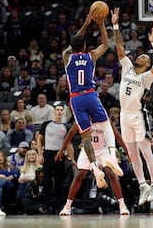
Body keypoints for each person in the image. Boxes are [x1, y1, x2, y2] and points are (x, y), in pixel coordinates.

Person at [62, 11, 120, 190]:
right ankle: (111, 156)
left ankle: (94, 167)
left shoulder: (67, 56)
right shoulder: (91, 56)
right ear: (85, 45)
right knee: (105, 125)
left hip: (76, 100)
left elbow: (74, 43)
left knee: (85, 136)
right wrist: (101, 23)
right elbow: (105, 43)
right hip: (90, 95)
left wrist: (86, 24)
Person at [111, 8, 153, 205]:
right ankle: (143, 185)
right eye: (140, 56)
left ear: (147, 64)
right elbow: (119, 47)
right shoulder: (128, 68)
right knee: (132, 153)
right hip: (124, 115)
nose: (140, 57)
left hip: (138, 115)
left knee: (145, 151)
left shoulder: (146, 77)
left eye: (144, 58)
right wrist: (115, 25)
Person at [57, 122, 129, 216]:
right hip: (87, 150)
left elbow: (116, 134)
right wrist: (61, 150)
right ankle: (67, 206)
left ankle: (122, 205)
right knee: (78, 176)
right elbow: (70, 134)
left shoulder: (103, 118)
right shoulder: (81, 118)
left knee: (111, 173)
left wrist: (127, 151)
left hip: (103, 149)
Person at [37, 105, 68, 213]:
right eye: (57, 110)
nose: (59, 112)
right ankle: (46, 205)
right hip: (48, 153)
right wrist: (40, 154)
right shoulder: (46, 124)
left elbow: (67, 143)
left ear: (63, 112)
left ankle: (59, 206)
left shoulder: (65, 127)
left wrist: (71, 158)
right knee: (47, 181)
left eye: (61, 110)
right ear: (54, 112)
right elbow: (39, 139)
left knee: (59, 181)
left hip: (59, 155)